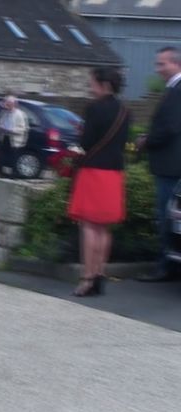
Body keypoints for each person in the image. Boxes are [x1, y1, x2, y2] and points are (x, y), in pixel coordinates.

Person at [68, 66, 130, 297]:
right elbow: (123, 143)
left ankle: (87, 277)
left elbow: (85, 142)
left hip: (93, 171)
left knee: (89, 226)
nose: (90, 86)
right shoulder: (126, 111)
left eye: (92, 82)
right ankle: (100, 274)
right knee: (104, 227)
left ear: (104, 85)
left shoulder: (93, 108)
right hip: (114, 172)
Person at [136, 46, 181, 282]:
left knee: (166, 217)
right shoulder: (173, 89)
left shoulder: (177, 90)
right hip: (170, 165)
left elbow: (171, 127)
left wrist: (147, 141)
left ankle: (165, 267)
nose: (158, 69)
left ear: (176, 64)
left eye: (162, 64)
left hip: (170, 166)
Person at [0, 96, 29, 178]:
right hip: (4, 137)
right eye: (6, 103)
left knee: (14, 157)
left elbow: (24, 128)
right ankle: (0, 172)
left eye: (9, 104)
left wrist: (12, 130)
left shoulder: (20, 114)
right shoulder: (3, 113)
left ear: (14, 104)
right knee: (1, 156)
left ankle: (14, 174)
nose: (7, 105)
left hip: (15, 139)